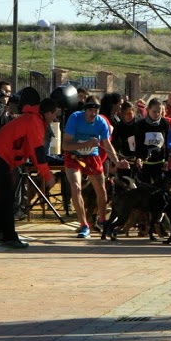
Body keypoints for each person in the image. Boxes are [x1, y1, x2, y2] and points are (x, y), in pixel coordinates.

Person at [0, 94, 60, 248]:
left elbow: (31, 150)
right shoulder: (34, 121)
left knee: (5, 195)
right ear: (49, 113)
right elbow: (38, 153)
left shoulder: (32, 119)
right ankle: (8, 236)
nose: (55, 118)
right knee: (6, 196)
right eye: (55, 114)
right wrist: (47, 175)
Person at [62, 97, 128, 237]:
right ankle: (84, 224)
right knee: (76, 187)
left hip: (92, 156)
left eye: (95, 111)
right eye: (90, 110)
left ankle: (102, 220)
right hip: (73, 156)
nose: (93, 114)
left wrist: (117, 162)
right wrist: (85, 144)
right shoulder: (75, 118)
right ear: (84, 110)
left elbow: (107, 145)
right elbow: (65, 145)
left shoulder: (101, 122)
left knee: (101, 189)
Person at [134, 98, 171, 188]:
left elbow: (167, 142)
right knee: (145, 190)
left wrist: (167, 159)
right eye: (154, 112)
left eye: (159, 111)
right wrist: (138, 157)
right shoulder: (140, 124)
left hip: (160, 162)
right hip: (145, 163)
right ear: (148, 110)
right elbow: (138, 143)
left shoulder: (165, 123)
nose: (157, 114)